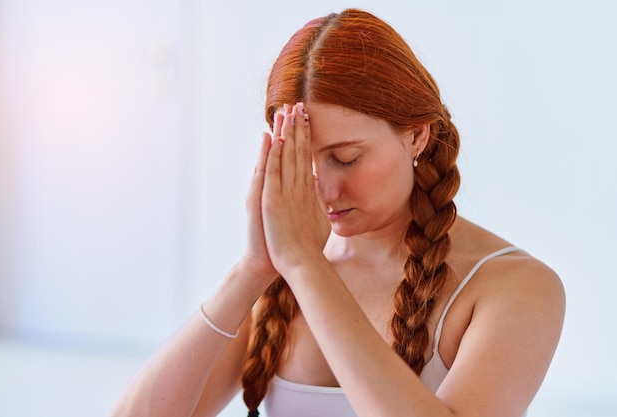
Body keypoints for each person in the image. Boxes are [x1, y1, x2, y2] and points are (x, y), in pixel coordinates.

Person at [111, 8, 565, 417]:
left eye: (346, 158)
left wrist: (306, 266)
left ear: (417, 136)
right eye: (301, 161)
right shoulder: (280, 274)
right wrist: (253, 269)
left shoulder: (515, 287)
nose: (324, 189)